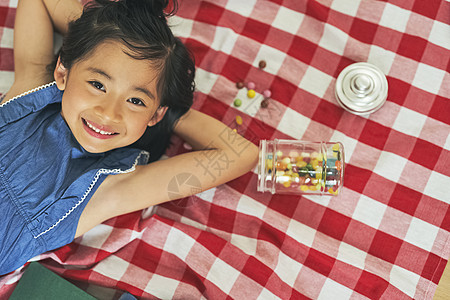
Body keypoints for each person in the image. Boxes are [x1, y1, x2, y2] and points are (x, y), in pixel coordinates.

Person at [0, 0, 259, 275]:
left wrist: (169, 115)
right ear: (63, 72)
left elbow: (241, 154)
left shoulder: (111, 188)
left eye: (136, 101)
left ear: (154, 115)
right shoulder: (30, 100)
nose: (109, 114)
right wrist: (102, 31)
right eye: (98, 84)